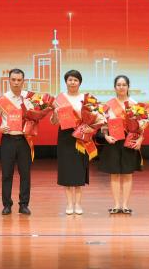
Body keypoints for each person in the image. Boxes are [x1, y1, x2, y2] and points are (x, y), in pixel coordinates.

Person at [51, 69, 100, 215]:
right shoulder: (59, 99)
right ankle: (69, 204)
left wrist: (91, 128)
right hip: (65, 137)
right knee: (67, 170)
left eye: (75, 80)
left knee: (79, 170)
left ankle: (78, 204)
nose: (72, 82)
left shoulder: (87, 99)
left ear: (80, 82)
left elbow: (96, 118)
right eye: (70, 80)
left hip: (81, 136)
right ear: (66, 82)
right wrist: (55, 114)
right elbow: (54, 122)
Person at [98, 75, 143, 214]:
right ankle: (117, 205)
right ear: (115, 87)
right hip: (113, 141)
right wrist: (106, 136)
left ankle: (125, 205)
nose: (121, 87)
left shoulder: (135, 104)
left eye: (124, 84)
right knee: (115, 174)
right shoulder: (108, 105)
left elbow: (141, 126)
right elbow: (103, 126)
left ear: (128, 87)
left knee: (128, 174)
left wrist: (140, 140)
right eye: (118, 85)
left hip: (129, 140)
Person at [0, 68, 34, 215]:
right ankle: (7, 204)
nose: (16, 83)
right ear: (9, 81)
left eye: (19, 80)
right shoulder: (2, 99)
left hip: (24, 140)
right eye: (13, 80)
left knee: (25, 174)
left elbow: (35, 117)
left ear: (23, 81)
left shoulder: (29, 98)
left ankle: (24, 204)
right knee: (6, 174)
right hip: (8, 139)